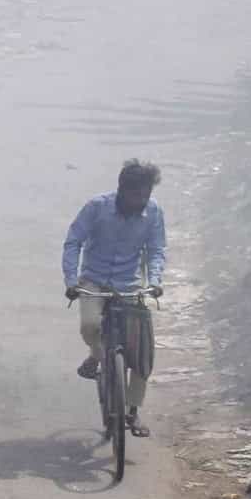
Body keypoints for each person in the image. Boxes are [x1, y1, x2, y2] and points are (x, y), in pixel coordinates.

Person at [62, 159, 167, 435]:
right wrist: (72, 281)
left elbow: (156, 250)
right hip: (94, 281)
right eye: (136, 195)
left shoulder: (154, 213)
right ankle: (96, 356)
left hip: (130, 285)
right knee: (90, 326)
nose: (141, 200)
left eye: (146, 195)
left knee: (141, 351)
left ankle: (133, 411)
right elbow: (74, 242)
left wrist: (154, 282)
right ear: (122, 190)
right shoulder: (97, 207)